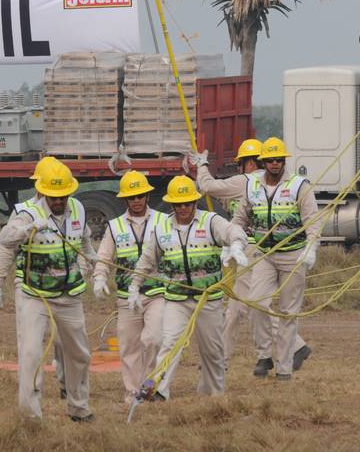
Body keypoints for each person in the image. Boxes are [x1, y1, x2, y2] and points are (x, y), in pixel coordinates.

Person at [191, 139, 312, 369]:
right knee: (241, 306)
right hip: (249, 249)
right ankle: (237, 356)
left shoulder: (245, 181)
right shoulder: (258, 184)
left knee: (246, 305)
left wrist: (202, 165)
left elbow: (208, 187)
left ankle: (291, 346)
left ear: (248, 163)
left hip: (253, 251)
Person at [130, 175, 248, 398]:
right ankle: (159, 391)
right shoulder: (162, 227)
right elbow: (146, 260)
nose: (183, 208)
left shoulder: (211, 221)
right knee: (170, 344)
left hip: (208, 300)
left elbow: (234, 231)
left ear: (195, 202)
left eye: (187, 203)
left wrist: (236, 246)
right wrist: (134, 287)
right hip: (176, 300)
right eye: (178, 204)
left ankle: (213, 393)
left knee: (213, 351)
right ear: (172, 204)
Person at [0, 161, 97, 421]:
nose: (59, 201)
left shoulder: (77, 208)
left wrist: (92, 260)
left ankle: (79, 408)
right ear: (41, 191)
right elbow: (5, 238)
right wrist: (28, 229)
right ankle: (30, 417)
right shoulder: (26, 212)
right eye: (53, 197)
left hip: (70, 295)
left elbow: (85, 239)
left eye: (63, 196)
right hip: (35, 294)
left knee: (79, 354)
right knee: (31, 353)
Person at [232, 137, 321, 380]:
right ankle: (264, 355)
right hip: (264, 255)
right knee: (255, 301)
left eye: (278, 160)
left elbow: (312, 220)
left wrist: (311, 248)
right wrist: (233, 243)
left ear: (283, 161)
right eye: (270, 160)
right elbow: (239, 219)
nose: (274, 164)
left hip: (294, 254)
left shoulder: (299, 186)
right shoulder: (252, 187)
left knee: (287, 313)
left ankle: (284, 369)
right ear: (263, 162)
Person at [0, 156, 74, 400]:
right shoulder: (24, 213)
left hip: (62, 288)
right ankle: (31, 392)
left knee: (64, 342)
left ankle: (68, 386)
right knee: (30, 345)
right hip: (29, 288)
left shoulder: (68, 208)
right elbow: (6, 248)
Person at [93, 170, 165, 404]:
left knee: (153, 339)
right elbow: (104, 257)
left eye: (140, 196)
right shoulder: (114, 227)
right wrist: (100, 278)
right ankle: (133, 392)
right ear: (125, 199)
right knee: (129, 347)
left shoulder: (162, 221)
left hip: (157, 293)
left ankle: (151, 386)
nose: (136, 201)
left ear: (146, 196)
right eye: (131, 197)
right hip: (126, 298)